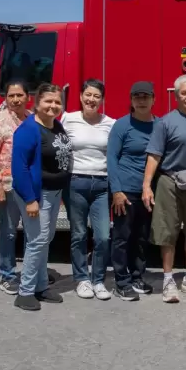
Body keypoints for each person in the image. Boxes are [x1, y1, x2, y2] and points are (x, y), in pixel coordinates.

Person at [142, 75, 186, 303]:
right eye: (184, 93)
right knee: (167, 233)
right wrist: (147, 185)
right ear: (176, 95)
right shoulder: (165, 122)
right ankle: (168, 280)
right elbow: (154, 155)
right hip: (169, 182)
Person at [11, 83, 72, 311]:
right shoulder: (28, 130)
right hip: (37, 194)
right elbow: (20, 168)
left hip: (54, 193)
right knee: (37, 241)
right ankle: (25, 292)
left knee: (45, 238)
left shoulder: (56, 125)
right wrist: (30, 199)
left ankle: (41, 286)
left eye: (57, 102)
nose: (53, 106)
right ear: (36, 103)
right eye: (48, 101)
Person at [62, 79, 117, 301]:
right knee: (79, 234)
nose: (91, 99)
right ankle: (82, 279)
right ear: (81, 96)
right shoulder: (68, 119)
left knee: (103, 236)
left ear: (102, 100)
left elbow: (113, 155)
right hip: (75, 182)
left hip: (102, 185)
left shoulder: (110, 123)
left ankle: (98, 280)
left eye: (96, 96)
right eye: (88, 95)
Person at [108, 81, 158, 301]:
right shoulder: (122, 125)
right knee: (121, 238)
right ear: (131, 100)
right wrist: (116, 191)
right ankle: (121, 281)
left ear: (153, 99)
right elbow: (111, 159)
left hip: (148, 193)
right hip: (126, 192)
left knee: (141, 237)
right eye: (137, 96)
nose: (141, 100)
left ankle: (137, 276)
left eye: (145, 96)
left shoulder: (160, 125)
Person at [0, 78, 30, 296]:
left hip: (29, 188)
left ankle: (31, 273)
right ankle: (8, 275)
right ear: (6, 98)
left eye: (19, 95)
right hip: (8, 186)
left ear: (28, 97)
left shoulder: (32, 120)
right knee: (9, 232)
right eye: (11, 95)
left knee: (33, 233)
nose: (15, 99)